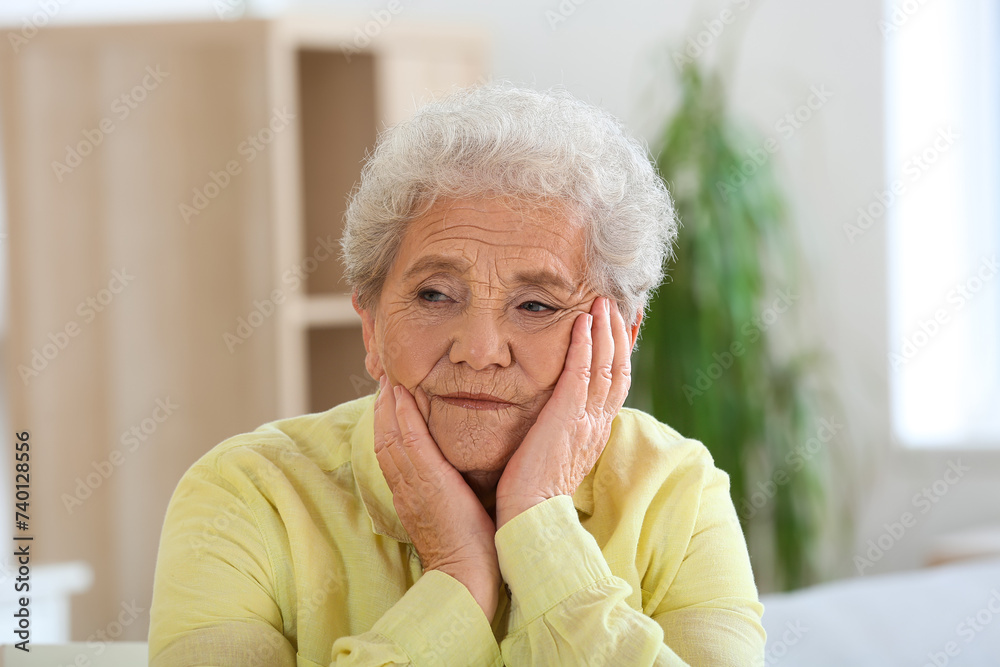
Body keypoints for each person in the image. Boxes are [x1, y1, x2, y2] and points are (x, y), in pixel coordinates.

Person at [149, 82, 766, 666]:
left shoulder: (676, 493)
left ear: (618, 343)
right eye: (434, 295)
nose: (478, 350)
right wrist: (458, 576)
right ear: (371, 326)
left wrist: (539, 526)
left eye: (536, 306)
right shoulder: (249, 494)